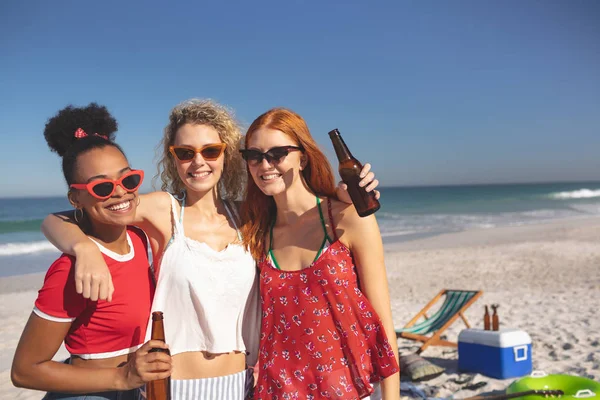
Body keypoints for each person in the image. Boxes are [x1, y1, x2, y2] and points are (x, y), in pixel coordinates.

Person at [40, 99, 379, 399]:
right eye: (185, 153)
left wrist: (343, 197)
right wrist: (83, 248)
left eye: (210, 151)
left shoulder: (250, 217)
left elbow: (303, 214)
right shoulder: (163, 210)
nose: (198, 162)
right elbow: (61, 218)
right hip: (173, 386)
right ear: (173, 158)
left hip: (241, 385)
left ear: (226, 155)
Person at [11, 103, 171, 400]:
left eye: (129, 179)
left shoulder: (138, 237)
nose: (120, 192)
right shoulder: (71, 270)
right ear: (76, 198)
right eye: (101, 188)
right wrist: (122, 377)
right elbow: (24, 370)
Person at [240, 108, 400, 400]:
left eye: (277, 154)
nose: (264, 165)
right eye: (254, 155)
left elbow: (382, 320)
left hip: (350, 390)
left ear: (302, 157)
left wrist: (392, 398)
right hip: (280, 391)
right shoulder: (257, 233)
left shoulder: (346, 218)